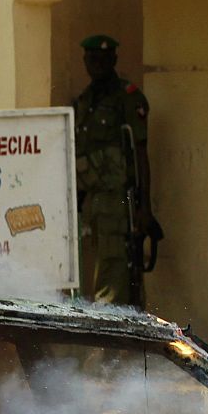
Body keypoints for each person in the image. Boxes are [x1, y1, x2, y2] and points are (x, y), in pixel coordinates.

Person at [72, 34, 152, 304]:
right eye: (92, 58)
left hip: (118, 204)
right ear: (84, 61)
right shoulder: (83, 102)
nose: (97, 64)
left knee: (115, 279)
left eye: (104, 58)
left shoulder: (126, 98)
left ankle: (114, 344)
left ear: (114, 59)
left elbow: (140, 153)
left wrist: (144, 207)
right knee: (90, 278)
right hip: (90, 204)